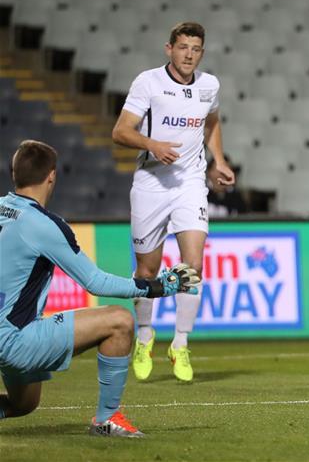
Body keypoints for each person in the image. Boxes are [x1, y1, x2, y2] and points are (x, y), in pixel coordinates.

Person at [0, 140, 199, 436]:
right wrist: (155, 286)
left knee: (25, 402)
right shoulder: (44, 225)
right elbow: (95, 282)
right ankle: (107, 418)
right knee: (119, 321)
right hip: (13, 339)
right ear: (51, 176)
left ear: (14, 173)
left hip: (9, 331)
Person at [111, 22, 234, 383]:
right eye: (183, 47)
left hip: (190, 183)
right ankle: (146, 335)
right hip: (151, 183)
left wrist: (219, 160)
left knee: (193, 265)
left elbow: (211, 122)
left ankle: (180, 343)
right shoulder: (148, 82)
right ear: (169, 49)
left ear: (202, 52)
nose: (189, 55)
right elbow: (120, 132)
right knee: (146, 271)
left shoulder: (209, 85)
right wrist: (153, 145)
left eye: (195, 49)